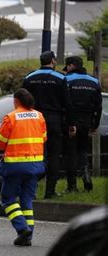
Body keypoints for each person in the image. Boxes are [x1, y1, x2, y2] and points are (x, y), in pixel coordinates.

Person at [0, 88, 47, 247]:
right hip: (35, 165)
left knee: (8, 199)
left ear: (16, 101)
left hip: (15, 165)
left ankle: (22, 228)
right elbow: (44, 138)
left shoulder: (11, 117)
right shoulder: (39, 116)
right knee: (27, 201)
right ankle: (28, 235)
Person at [22, 50, 74, 199]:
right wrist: (71, 123)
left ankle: (30, 190)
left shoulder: (30, 77)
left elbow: (22, 98)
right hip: (54, 121)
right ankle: (50, 192)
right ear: (53, 61)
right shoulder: (60, 77)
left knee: (34, 155)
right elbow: (67, 103)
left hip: (33, 120)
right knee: (53, 156)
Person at [62, 56, 102, 192]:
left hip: (71, 121)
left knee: (70, 153)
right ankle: (86, 175)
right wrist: (95, 125)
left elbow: (64, 103)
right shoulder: (94, 81)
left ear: (71, 66)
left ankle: (72, 186)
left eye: (67, 67)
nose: (66, 70)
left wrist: (68, 122)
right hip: (87, 121)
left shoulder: (66, 80)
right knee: (83, 150)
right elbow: (98, 106)